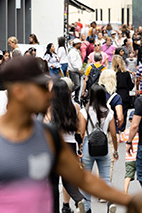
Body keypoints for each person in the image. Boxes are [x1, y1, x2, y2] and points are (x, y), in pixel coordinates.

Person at [0, 56, 132, 213]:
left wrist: (131, 201)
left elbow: (82, 179)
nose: (48, 95)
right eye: (41, 88)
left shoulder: (48, 137)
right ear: (19, 92)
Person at [46, 79, 87, 213]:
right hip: (70, 145)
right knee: (68, 179)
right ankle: (79, 199)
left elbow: (46, 125)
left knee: (53, 181)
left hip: (55, 145)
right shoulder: (75, 106)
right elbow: (79, 128)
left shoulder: (50, 107)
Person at [79, 84, 119, 213]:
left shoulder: (84, 112)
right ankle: (110, 202)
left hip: (88, 147)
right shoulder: (109, 112)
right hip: (104, 147)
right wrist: (116, 150)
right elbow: (113, 133)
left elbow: (80, 133)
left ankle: (87, 207)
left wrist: (79, 149)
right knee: (106, 178)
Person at [113, 55, 135, 120]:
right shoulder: (126, 73)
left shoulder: (112, 74)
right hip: (125, 96)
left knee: (114, 115)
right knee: (124, 115)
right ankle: (122, 129)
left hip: (114, 96)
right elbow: (130, 86)